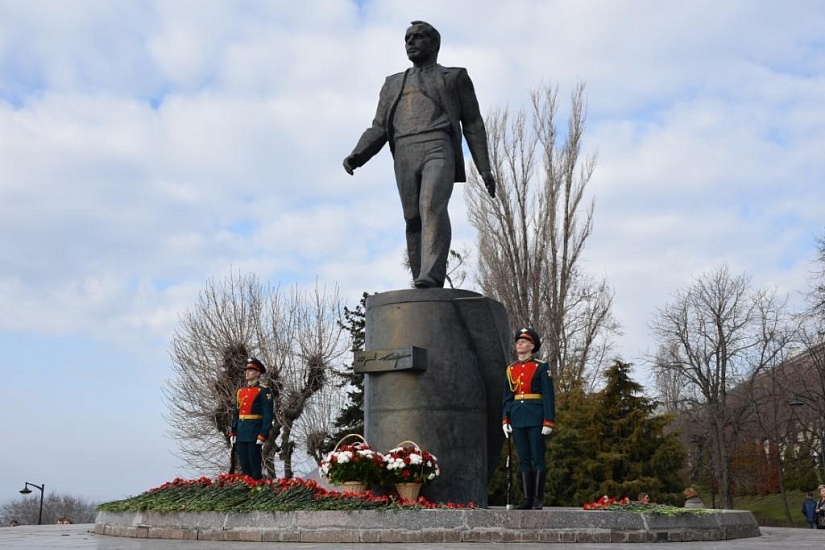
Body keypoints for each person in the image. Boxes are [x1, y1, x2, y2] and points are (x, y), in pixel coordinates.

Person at [343, 20, 496, 289]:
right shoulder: (393, 84)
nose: (411, 42)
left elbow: (473, 123)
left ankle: (432, 274)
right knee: (412, 218)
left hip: (438, 146)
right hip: (404, 150)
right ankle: (421, 283)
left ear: (435, 44)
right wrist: (358, 154)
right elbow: (379, 127)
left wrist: (484, 168)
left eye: (418, 37)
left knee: (431, 206)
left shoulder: (455, 77)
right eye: (407, 38)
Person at [501, 327, 555, 510]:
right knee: (523, 459)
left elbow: (548, 395)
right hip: (517, 417)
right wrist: (505, 420)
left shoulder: (541, 367)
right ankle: (526, 499)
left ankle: (537, 499)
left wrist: (549, 420)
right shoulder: (511, 369)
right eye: (518, 341)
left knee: (537, 458)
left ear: (532, 346)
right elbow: (508, 397)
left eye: (523, 341)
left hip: (536, 417)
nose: (519, 344)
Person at [229, 357, 274, 479]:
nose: (247, 372)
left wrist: (263, 434)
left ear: (258, 373)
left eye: (251, 370)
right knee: (244, 468)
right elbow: (236, 413)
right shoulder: (241, 392)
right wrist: (233, 431)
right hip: (241, 432)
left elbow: (268, 415)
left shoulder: (264, 391)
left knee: (255, 467)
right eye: (246, 370)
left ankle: (256, 491)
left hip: (254, 433)